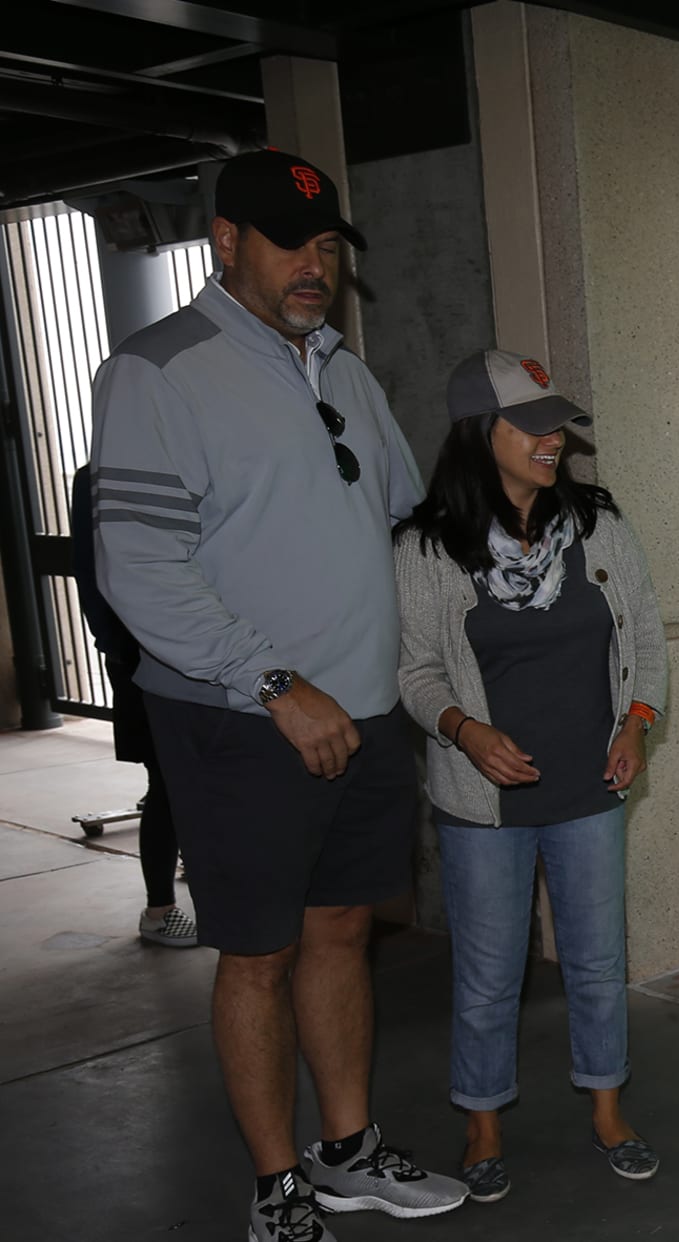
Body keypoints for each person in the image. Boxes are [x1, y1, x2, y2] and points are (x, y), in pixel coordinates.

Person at [87, 148, 467, 1242]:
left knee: (343, 927)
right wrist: (272, 681)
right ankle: (276, 1188)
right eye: (292, 242)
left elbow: (396, 506)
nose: (317, 264)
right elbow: (141, 568)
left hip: (363, 709)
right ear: (224, 243)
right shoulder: (159, 373)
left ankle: (345, 1152)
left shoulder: (342, 367)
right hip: (240, 719)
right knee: (258, 952)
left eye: (330, 244)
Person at [393, 348, 669, 1203]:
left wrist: (638, 728)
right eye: (534, 426)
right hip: (486, 802)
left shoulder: (598, 524)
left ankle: (608, 1109)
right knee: (488, 974)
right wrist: (466, 732)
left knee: (595, 960)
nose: (555, 441)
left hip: (591, 786)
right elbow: (415, 671)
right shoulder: (427, 545)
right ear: (484, 433)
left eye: (558, 425)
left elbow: (647, 643)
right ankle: (481, 1125)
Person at [69, 463, 196, 948]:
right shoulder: (98, 478)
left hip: (184, 647)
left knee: (188, 777)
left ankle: (191, 875)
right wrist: (117, 649)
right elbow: (91, 568)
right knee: (166, 782)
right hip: (141, 653)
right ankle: (159, 909)